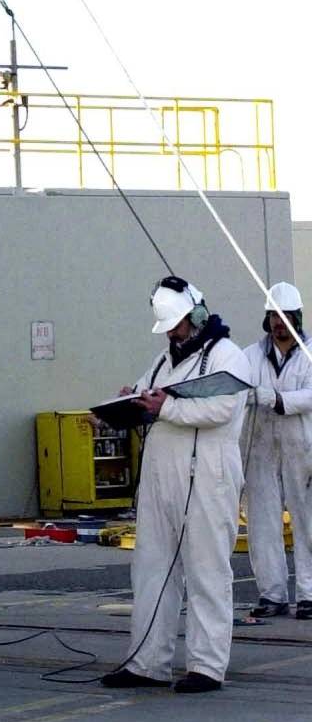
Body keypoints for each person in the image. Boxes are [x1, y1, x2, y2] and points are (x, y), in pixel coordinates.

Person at [101, 276, 249, 694]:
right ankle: (147, 661)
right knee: (151, 566)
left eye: (179, 324)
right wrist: (127, 404)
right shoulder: (163, 360)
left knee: (206, 569)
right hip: (162, 474)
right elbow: (152, 399)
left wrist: (166, 407)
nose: (173, 332)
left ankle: (206, 665)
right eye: (168, 326)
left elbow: (221, 408)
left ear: (198, 313)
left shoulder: (228, 357)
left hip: (209, 476)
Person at [242, 282, 312, 621]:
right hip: (261, 449)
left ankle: (309, 593)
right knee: (262, 522)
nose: (278, 323)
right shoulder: (251, 355)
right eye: (272, 316)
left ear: (297, 318)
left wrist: (276, 398)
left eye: (284, 316)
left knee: (307, 520)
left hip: (303, 449)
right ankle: (272, 594)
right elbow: (236, 384)